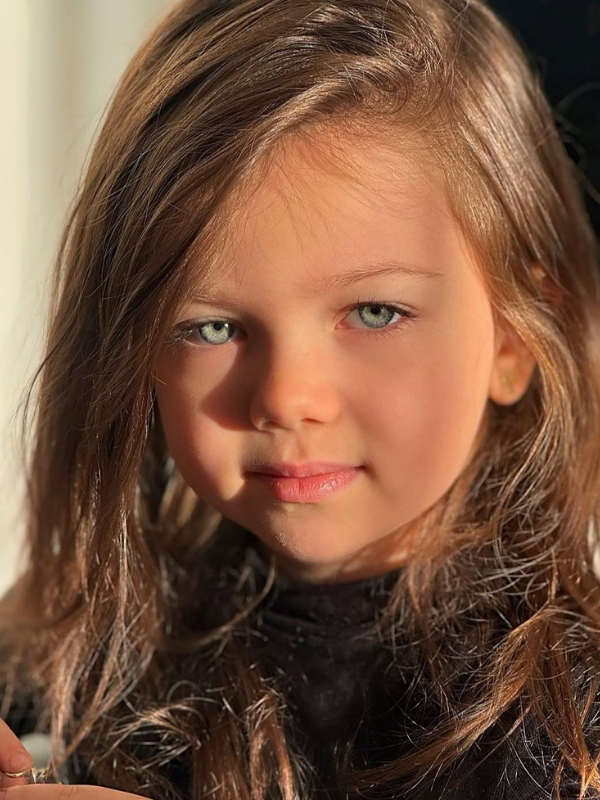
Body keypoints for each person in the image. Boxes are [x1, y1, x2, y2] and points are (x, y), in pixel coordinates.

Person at [1, 0, 600, 798]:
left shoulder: (578, 723)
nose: (286, 399)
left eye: (375, 313)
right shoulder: (63, 666)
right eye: (213, 328)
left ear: (514, 339)